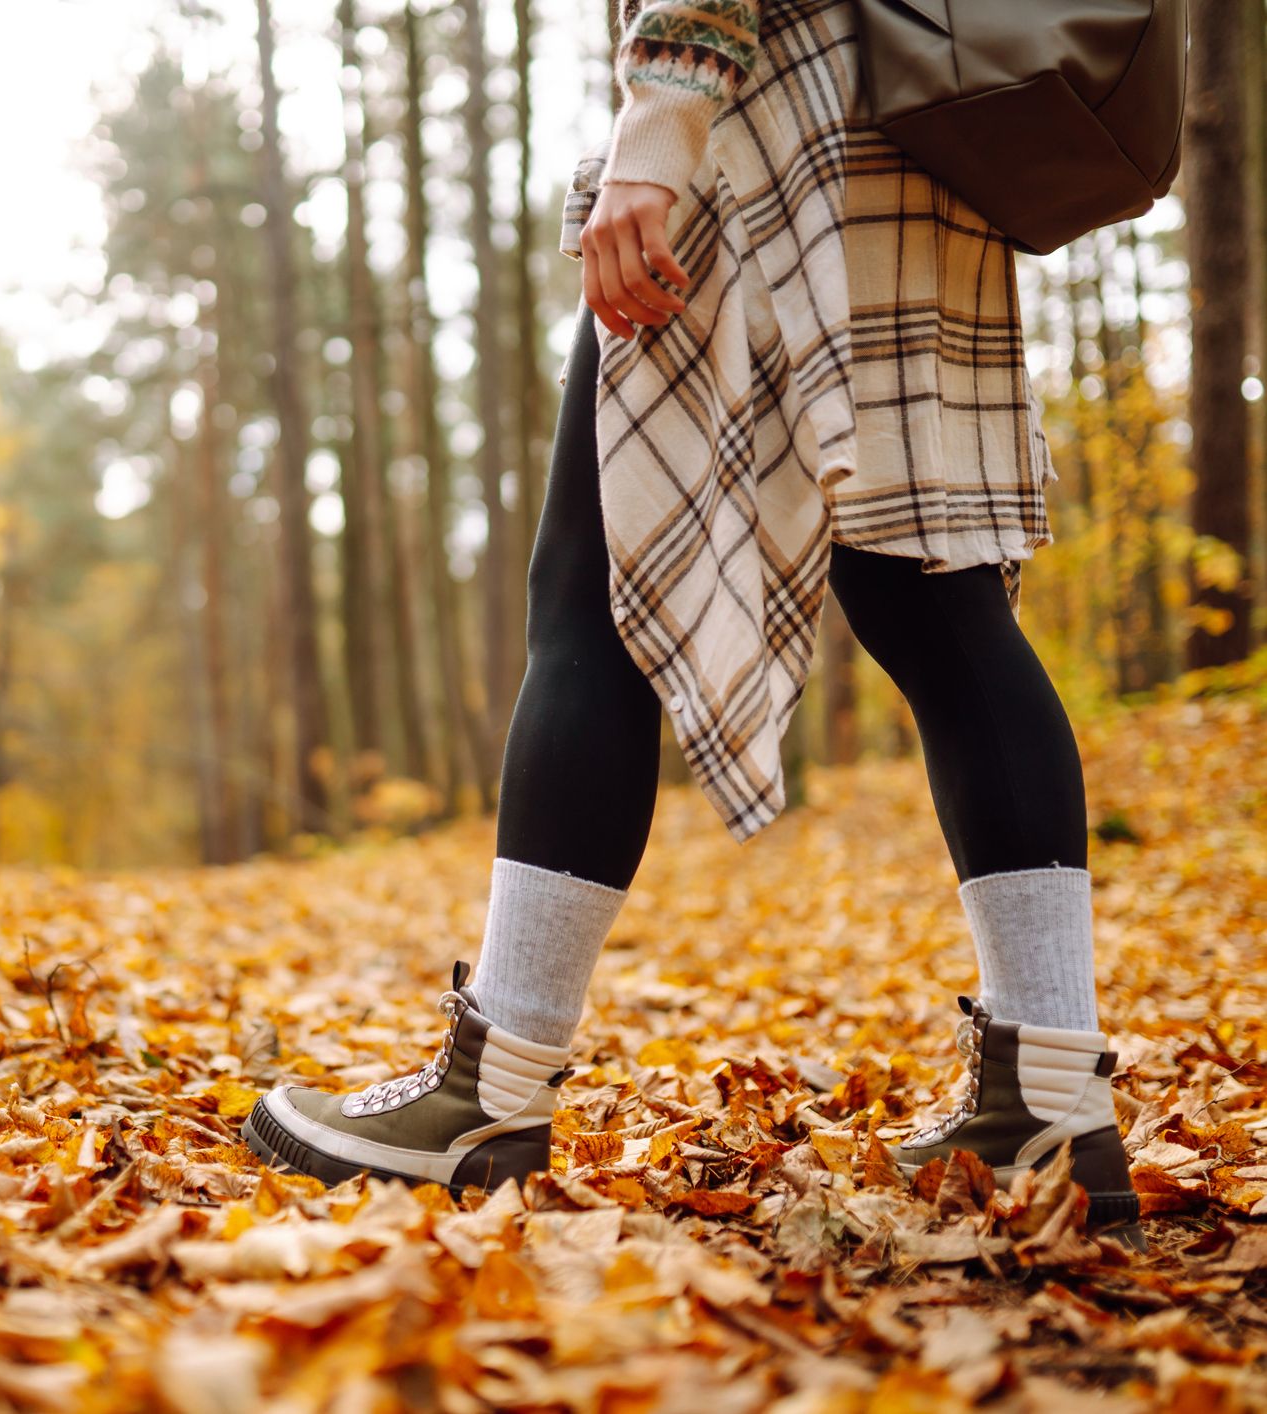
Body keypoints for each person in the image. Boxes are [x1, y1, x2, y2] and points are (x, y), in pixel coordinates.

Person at [245, 0, 1143, 1249]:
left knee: (592, 590)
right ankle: (1046, 1105)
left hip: (763, 141)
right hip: (908, 146)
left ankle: (487, 1095)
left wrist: (654, 134)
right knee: (936, 600)